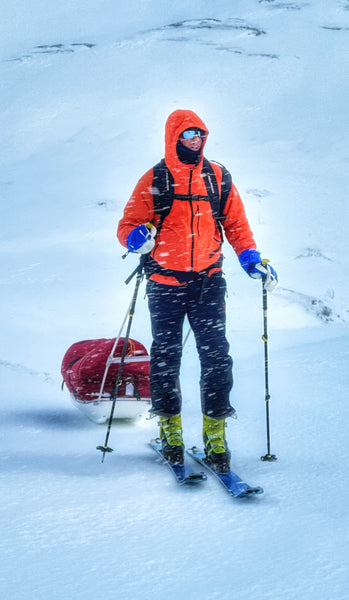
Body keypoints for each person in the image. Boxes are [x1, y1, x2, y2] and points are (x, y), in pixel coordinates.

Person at [117, 109, 277, 472]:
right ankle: (170, 428)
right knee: (166, 358)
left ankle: (215, 433)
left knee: (217, 358)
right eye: (189, 135)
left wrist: (251, 257)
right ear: (174, 137)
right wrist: (134, 237)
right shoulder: (155, 179)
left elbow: (236, 224)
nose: (195, 140)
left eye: (200, 134)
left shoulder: (218, 177)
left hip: (208, 282)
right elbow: (127, 224)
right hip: (164, 284)